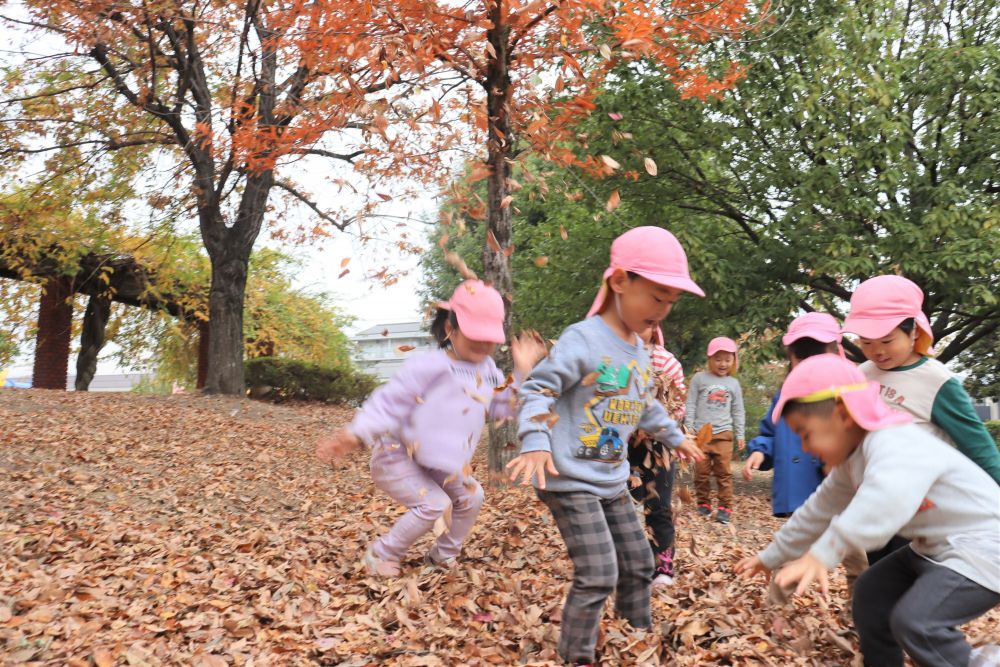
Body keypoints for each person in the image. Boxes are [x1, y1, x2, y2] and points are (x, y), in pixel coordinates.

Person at [506, 226, 706, 667]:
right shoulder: (584, 338)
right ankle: (577, 657)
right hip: (568, 477)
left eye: (671, 302)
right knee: (598, 573)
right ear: (620, 281)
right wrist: (536, 441)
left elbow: (644, 403)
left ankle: (637, 641)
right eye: (656, 297)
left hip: (611, 477)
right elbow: (538, 389)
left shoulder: (638, 349)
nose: (663, 310)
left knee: (638, 564)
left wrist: (676, 437)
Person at [736, 354, 999, 667]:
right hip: (935, 550)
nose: (806, 447)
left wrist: (823, 553)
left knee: (917, 623)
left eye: (807, 434)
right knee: (871, 593)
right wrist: (771, 557)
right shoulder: (852, 461)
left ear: (842, 415)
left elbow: (882, 503)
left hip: (982, 548)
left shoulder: (895, 442)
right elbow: (816, 512)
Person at [316, 279, 545, 576]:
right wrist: (357, 433)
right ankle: (382, 553)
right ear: (451, 329)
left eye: (489, 339)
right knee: (433, 504)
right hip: (398, 454)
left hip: (441, 462)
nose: (482, 345)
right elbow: (389, 401)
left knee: (472, 496)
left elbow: (501, 407)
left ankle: (442, 556)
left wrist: (522, 371)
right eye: (474, 336)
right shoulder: (429, 366)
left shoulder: (488, 370)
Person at [842, 275, 1000, 485]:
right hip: (868, 494)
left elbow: (978, 447)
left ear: (914, 332)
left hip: (925, 501)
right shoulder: (860, 375)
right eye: (867, 342)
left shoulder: (936, 381)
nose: (877, 351)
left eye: (887, 340)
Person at [742, 312, 839, 517]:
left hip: (834, 495)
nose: (810, 365)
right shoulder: (786, 397)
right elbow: (770, 433)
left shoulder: (846, 394)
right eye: (801, 358)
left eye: (817, 357)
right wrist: (760, 451)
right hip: (796, 493)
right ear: (791, 358)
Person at [629, 325, 687, 586]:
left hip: (660, 446)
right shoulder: (614, 356)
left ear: (654, 329)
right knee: (622, 502)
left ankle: (663, 565)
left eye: (645, 325)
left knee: (659, 507)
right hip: (622, 445)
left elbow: (678, 401)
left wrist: (665, 423)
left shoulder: (665, 360)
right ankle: (624, 559)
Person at [686, 336, 745, 524]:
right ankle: (703, 503)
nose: (723, 363)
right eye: (718, 359)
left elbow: (738, 410)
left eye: (728, 359)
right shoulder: (699, 379)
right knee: (701, 472)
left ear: (733, 361)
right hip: (701, 434)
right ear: (710, 359)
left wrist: (741, 433)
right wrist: (688, 428)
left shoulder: (733, 384)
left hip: (724, 434)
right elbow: (691, 404)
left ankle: (725, 507)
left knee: (724, 473)